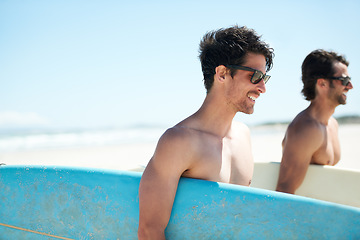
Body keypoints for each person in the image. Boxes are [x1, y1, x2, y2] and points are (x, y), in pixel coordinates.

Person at [138, 25, 274, 240]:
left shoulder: (243, 135)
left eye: (264, 78)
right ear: (222, 73)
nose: (262, 87)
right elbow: (149, 230)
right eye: (255, 76)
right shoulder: (179, 141)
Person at [276, 49, 353, 194]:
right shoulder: (307, 128)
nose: (350, 86)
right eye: (344, 81)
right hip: (304, 215)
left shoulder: (333, 124)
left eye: (349, 80)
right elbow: (284, 190)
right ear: (322, 83)